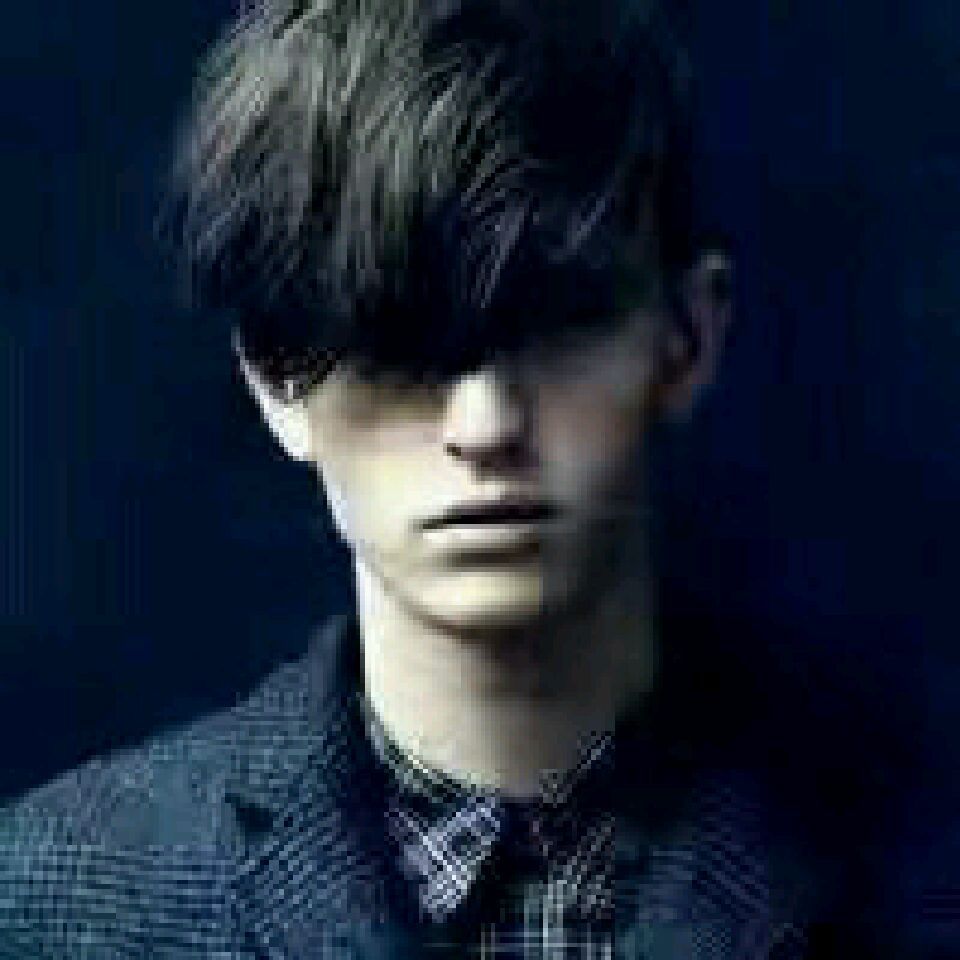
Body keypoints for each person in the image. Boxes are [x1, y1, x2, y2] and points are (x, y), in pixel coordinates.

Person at [1, 1, 814, 956]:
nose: (485, 426)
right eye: (399, 341)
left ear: (689, 336)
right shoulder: (51, 906)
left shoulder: (923, 868)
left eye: (556, 324)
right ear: (277, 376)